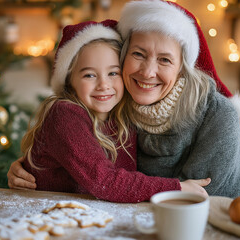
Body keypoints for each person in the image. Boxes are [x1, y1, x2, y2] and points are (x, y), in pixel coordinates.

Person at [8, 0, 240, 205]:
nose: (147, 72)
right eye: (138, 54)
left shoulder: (216, 115)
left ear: (182, 69)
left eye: (165, 60)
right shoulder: (121, 105)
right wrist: (37, 166)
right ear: (124, 57)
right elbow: (96, 168)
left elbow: (195, 197)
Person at [19, 19, 210, 203]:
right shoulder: (65, 114)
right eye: (89, 75)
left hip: (91, 215)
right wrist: (177, 188)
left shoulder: (123, 115)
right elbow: (105, 182)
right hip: (48, 217)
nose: (104, 85)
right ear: (69, 81)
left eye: (113, 73)